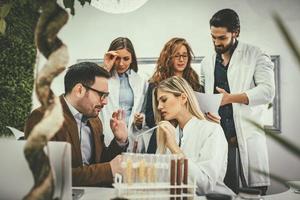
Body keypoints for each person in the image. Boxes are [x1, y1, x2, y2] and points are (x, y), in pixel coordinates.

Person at [200, 8, 275, 194]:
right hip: (218, 139)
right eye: (213, 37)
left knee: (253, 193)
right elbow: (205, 92)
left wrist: (230, 98)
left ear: (236, 32)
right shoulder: (207, 62)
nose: (217, 43)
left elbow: (267, 91)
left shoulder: (256, 54)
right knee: (221, 192)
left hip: (245, 137)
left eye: (222, 38)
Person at [24, 62, 128, 186]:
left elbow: (100, 162)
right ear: (79, 90)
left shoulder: (94, 120)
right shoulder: (43, 118)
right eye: (102, 95)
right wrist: (108, 170)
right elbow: (49, 176)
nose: (105, 102)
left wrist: (119, 142)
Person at [153, 76, 233, 195]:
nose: (159, 107)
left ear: (183, 98)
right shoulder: (168, 133)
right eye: (158, 102)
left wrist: (175, 148)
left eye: (164, 100)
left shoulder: (212, 130)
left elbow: (204, 185)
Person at [144, 37, 219, 153]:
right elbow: (149, 117)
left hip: (191, 134)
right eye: (176, 55)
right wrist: (170, 115)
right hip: (163, 134)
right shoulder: (156, 84)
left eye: (184, 55)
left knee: (187, 166)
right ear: (168, 58)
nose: (181, 59)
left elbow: (200, 112)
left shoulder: (195, 84)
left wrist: (210, 117)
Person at [100, 37, 148, 152]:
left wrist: (141, 120)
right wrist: (105, 67)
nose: (121, 64)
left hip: (132, 136)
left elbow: (144, 110)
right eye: (117, 58)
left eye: (126, 59)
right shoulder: (103, 78)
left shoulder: (141, 81)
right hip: (107, 133)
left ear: (132, 59)